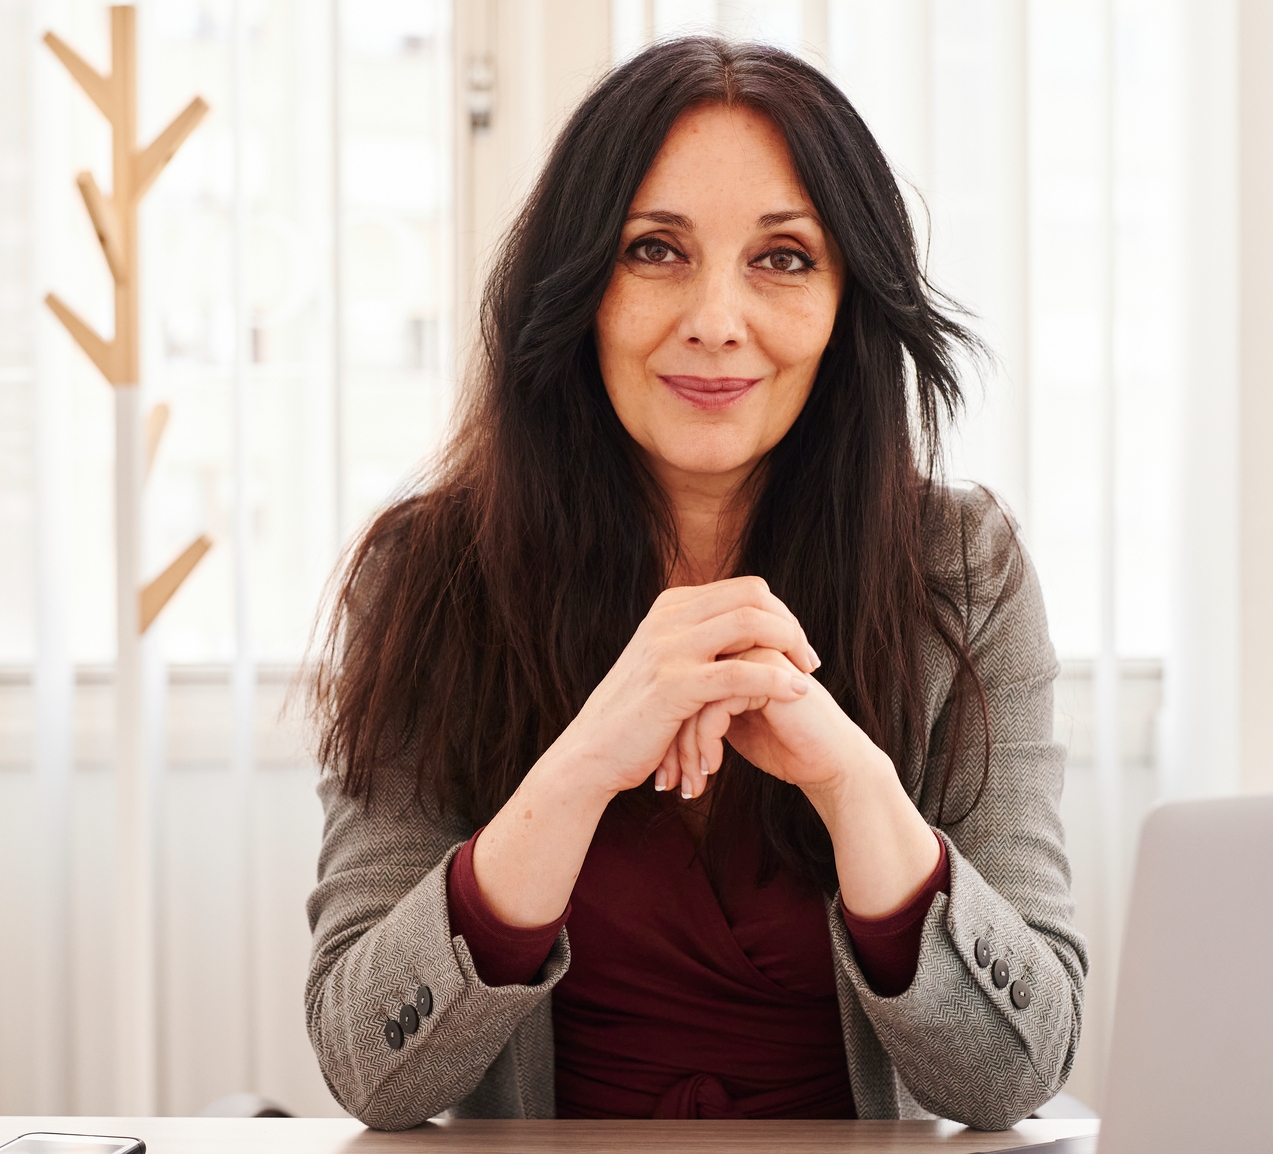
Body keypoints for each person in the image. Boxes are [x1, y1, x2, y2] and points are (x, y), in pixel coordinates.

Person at [303, 36, 1085, 1130]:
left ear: (848, 305)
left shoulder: (966, 573)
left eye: (783, 258)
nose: (717, 317)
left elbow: (1017, 1073)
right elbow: (368, 1070)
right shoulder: (429, 577)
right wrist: (579, 765)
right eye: (656, 249)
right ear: (576, 287)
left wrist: (855, 784)